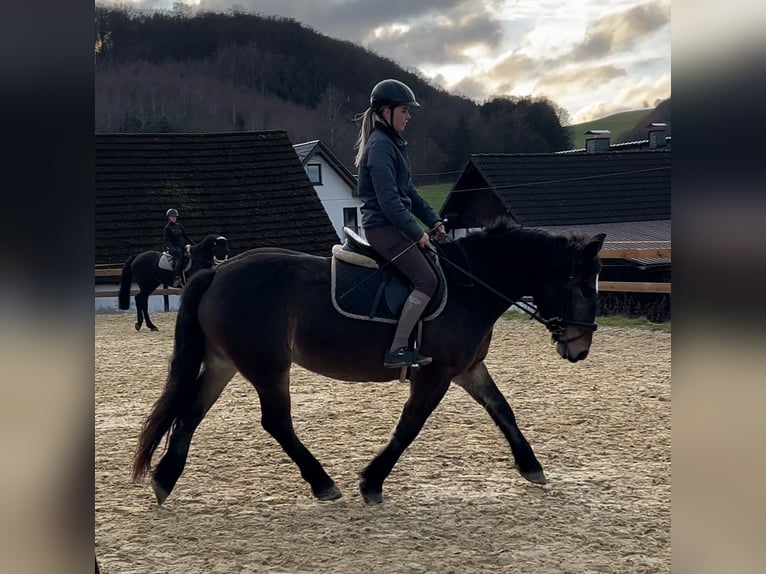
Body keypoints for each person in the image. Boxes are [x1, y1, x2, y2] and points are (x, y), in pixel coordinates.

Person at [354, 78, 447, 369]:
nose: (409, 117)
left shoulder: (393, 144)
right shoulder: (380, 146)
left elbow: (409, 193)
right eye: (404, 111)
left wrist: (433, 220)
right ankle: (397, 349)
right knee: (427, 280)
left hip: (393, 226)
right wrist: (417, 233)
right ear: (386, 111)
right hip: (383, 229)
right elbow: (389, 202)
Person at [164, 208, 194, 287]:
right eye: (172, 217)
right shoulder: (167, 228)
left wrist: (195, 245)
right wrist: (171, 248)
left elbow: (186, 237)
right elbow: (167, 240)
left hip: (182, 247)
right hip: (174, 248)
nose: (174, 218)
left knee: (189, 256)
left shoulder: (179, 226)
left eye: (175, 216)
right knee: (179, 260)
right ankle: (176, 278)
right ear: (169, 217)